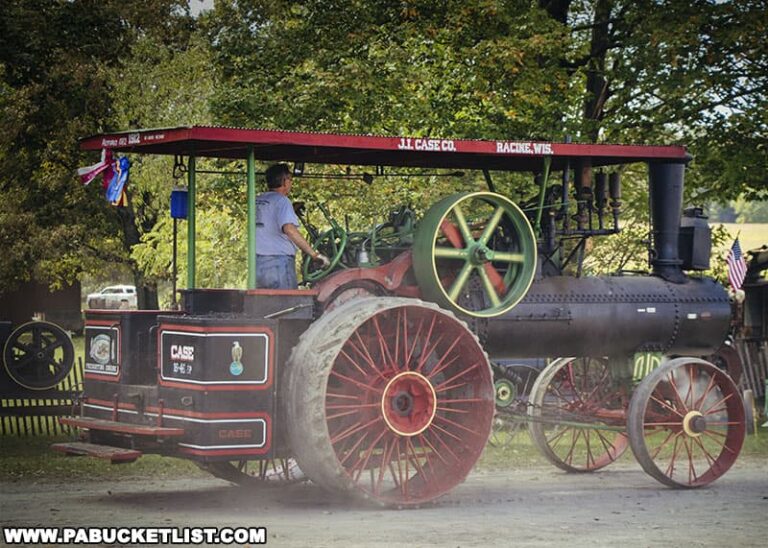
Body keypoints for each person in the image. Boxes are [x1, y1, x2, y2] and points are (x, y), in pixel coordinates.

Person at [254, 163, 330, 289]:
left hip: (258, 263)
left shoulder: (258, 201)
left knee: (267, 305)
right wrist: (314, 255)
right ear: (284, 181)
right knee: (288, 305)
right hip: (279, 263)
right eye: (290, 180)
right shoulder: (282, 201)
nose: (291, 183)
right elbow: (289, 229)